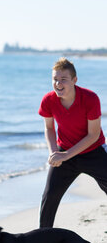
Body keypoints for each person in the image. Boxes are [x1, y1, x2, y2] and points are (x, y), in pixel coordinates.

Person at [38, 57, 107, 228]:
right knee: (49, 197)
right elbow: (49, 128)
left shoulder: (90, 99)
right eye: (55, 79)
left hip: (94, 152)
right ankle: (43, 241)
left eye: (63, 79)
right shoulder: (48, 100)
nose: (58, 83)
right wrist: (54, 152)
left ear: (74, 80)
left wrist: (65, 154)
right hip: (64, 152)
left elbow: (93, 134)